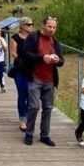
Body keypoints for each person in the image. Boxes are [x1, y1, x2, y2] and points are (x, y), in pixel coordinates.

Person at [20, 16, 64, 146]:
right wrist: (42, 58)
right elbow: (25, 54)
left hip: (49, 79)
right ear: (43, 25)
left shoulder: (55, 42)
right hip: (35, 77)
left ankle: (44, 135)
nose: (52, 29)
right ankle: (29, 133)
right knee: (34, 106)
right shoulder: (33, 37)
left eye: (54, 27)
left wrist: (57, 60)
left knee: (48, 108)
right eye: (49, 26)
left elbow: (62, 61)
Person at [9, 18, 34, 130]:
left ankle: (28, 117)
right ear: (22, 26)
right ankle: (22, 120)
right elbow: (14, 53)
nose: (31, 26)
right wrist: (22, 60)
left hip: (32, 70)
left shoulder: (34, 38)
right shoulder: (15, 38)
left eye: (32, 24)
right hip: (20, 69)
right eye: (28, 24)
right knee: (22, 94)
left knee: (31, 95)